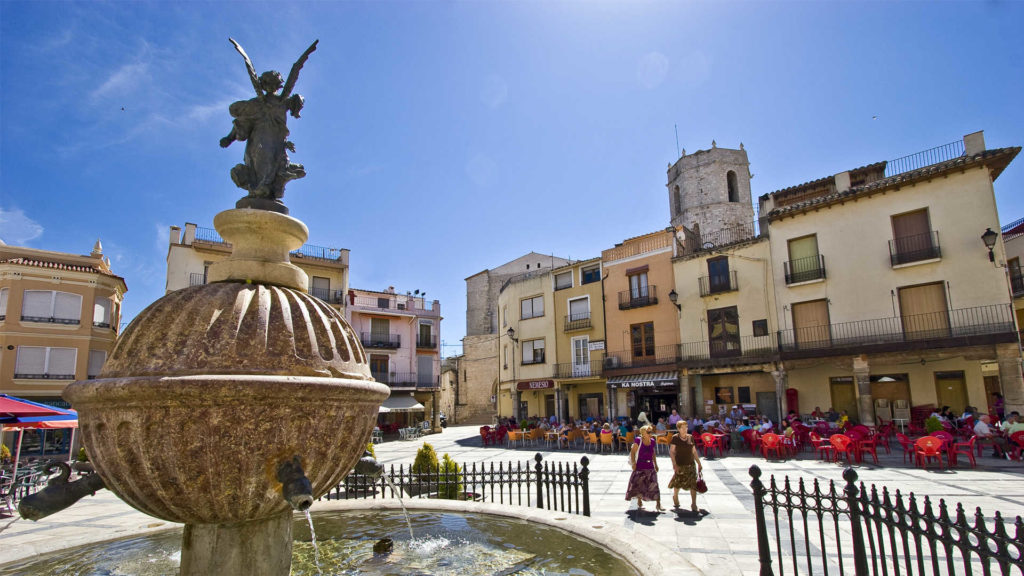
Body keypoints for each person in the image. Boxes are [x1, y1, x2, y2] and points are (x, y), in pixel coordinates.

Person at [626, 425, 664, 512]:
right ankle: (639, 500)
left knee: (654, 484)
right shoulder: (638, 441)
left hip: (650, 465)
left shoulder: (653, 441)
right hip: (640, 466)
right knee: (639, 484)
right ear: (643, 433)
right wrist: (633, 463)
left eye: (651, 432)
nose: (651, 434)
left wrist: (656, 464)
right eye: (649, 432)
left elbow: (653, 453)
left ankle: (658, 503)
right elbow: (632, 452)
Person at [668, 420, 703, 513]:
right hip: (680, 464)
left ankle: (694, 503)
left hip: (690, 464)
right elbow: (672, 451)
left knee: (693, 484)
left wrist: (699, 463)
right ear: (678, 429)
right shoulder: (675, 438)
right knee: (677, 483)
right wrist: (674, 464)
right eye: (682, 428)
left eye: (686, 427)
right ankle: (675, 496)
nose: (685, 429)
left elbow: (694, 451)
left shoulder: (690, 437)